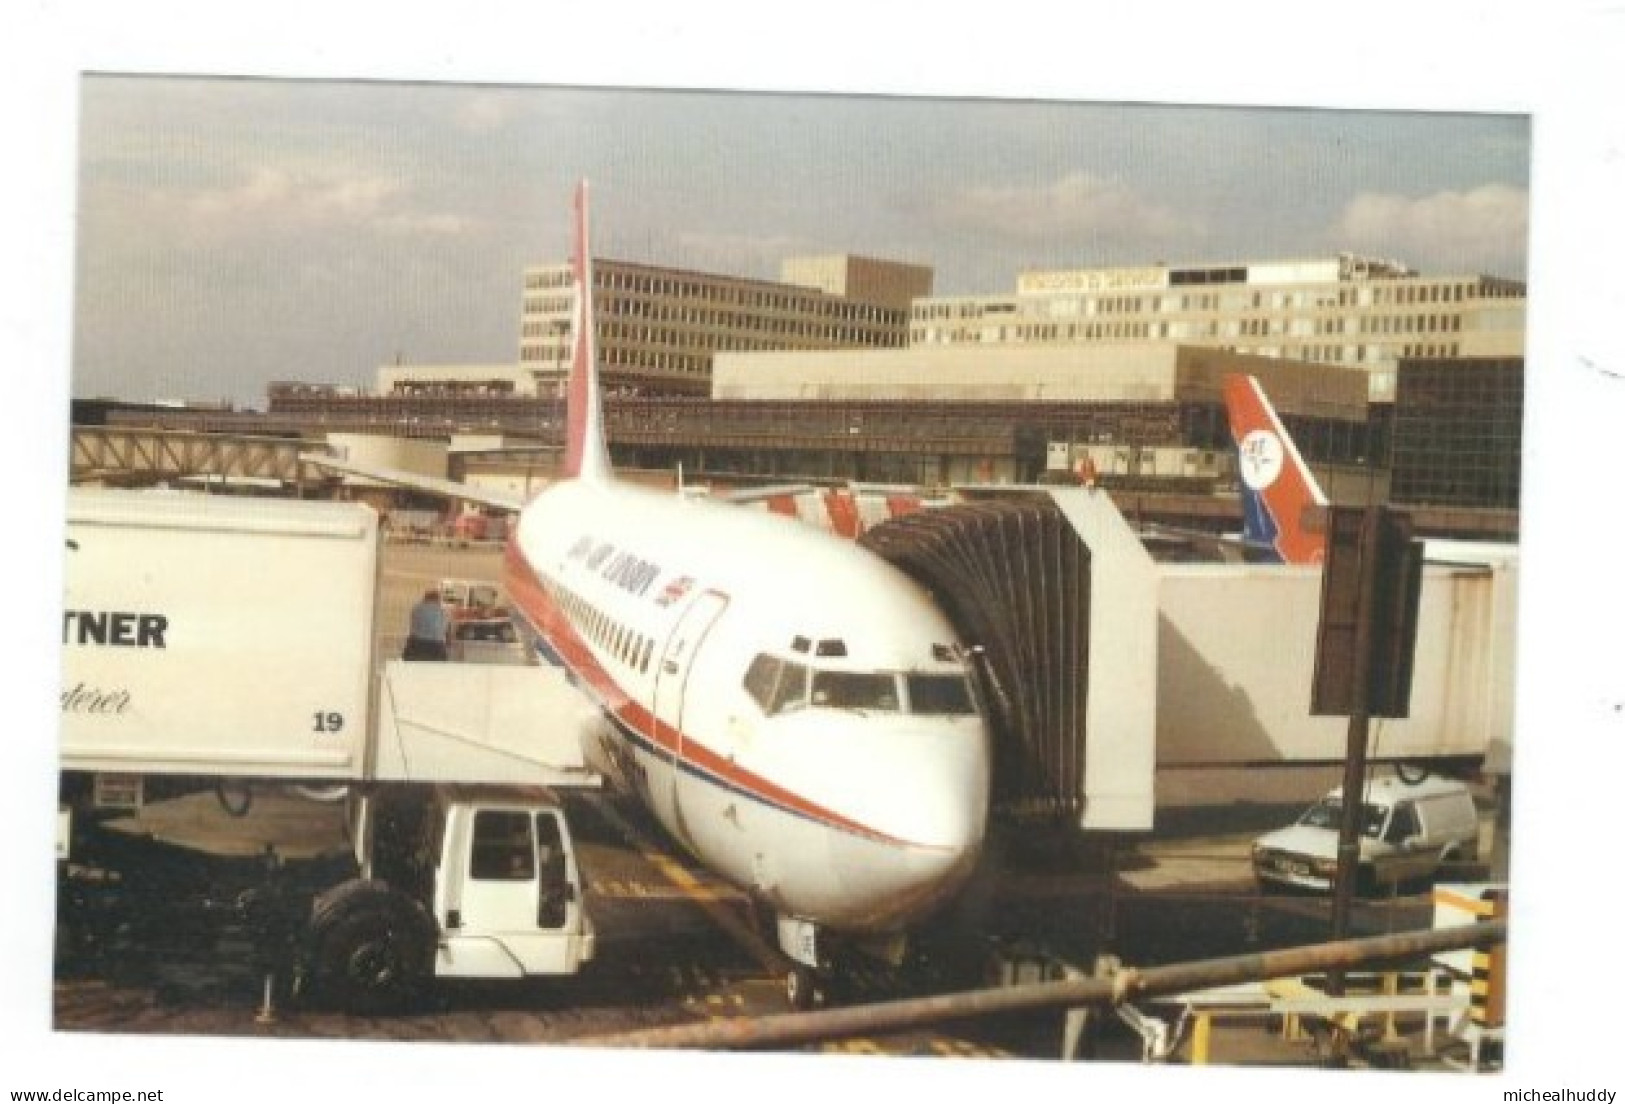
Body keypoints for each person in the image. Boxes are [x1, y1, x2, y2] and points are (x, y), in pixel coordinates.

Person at [403, 588, 450, 661]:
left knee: (412, 669)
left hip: (416, 645)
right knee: (436, 671)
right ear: (438, 599)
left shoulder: (416, 609)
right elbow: (444, 629)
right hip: (436, 647)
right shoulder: (442, 611)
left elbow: (413, 624)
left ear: (425, 597)